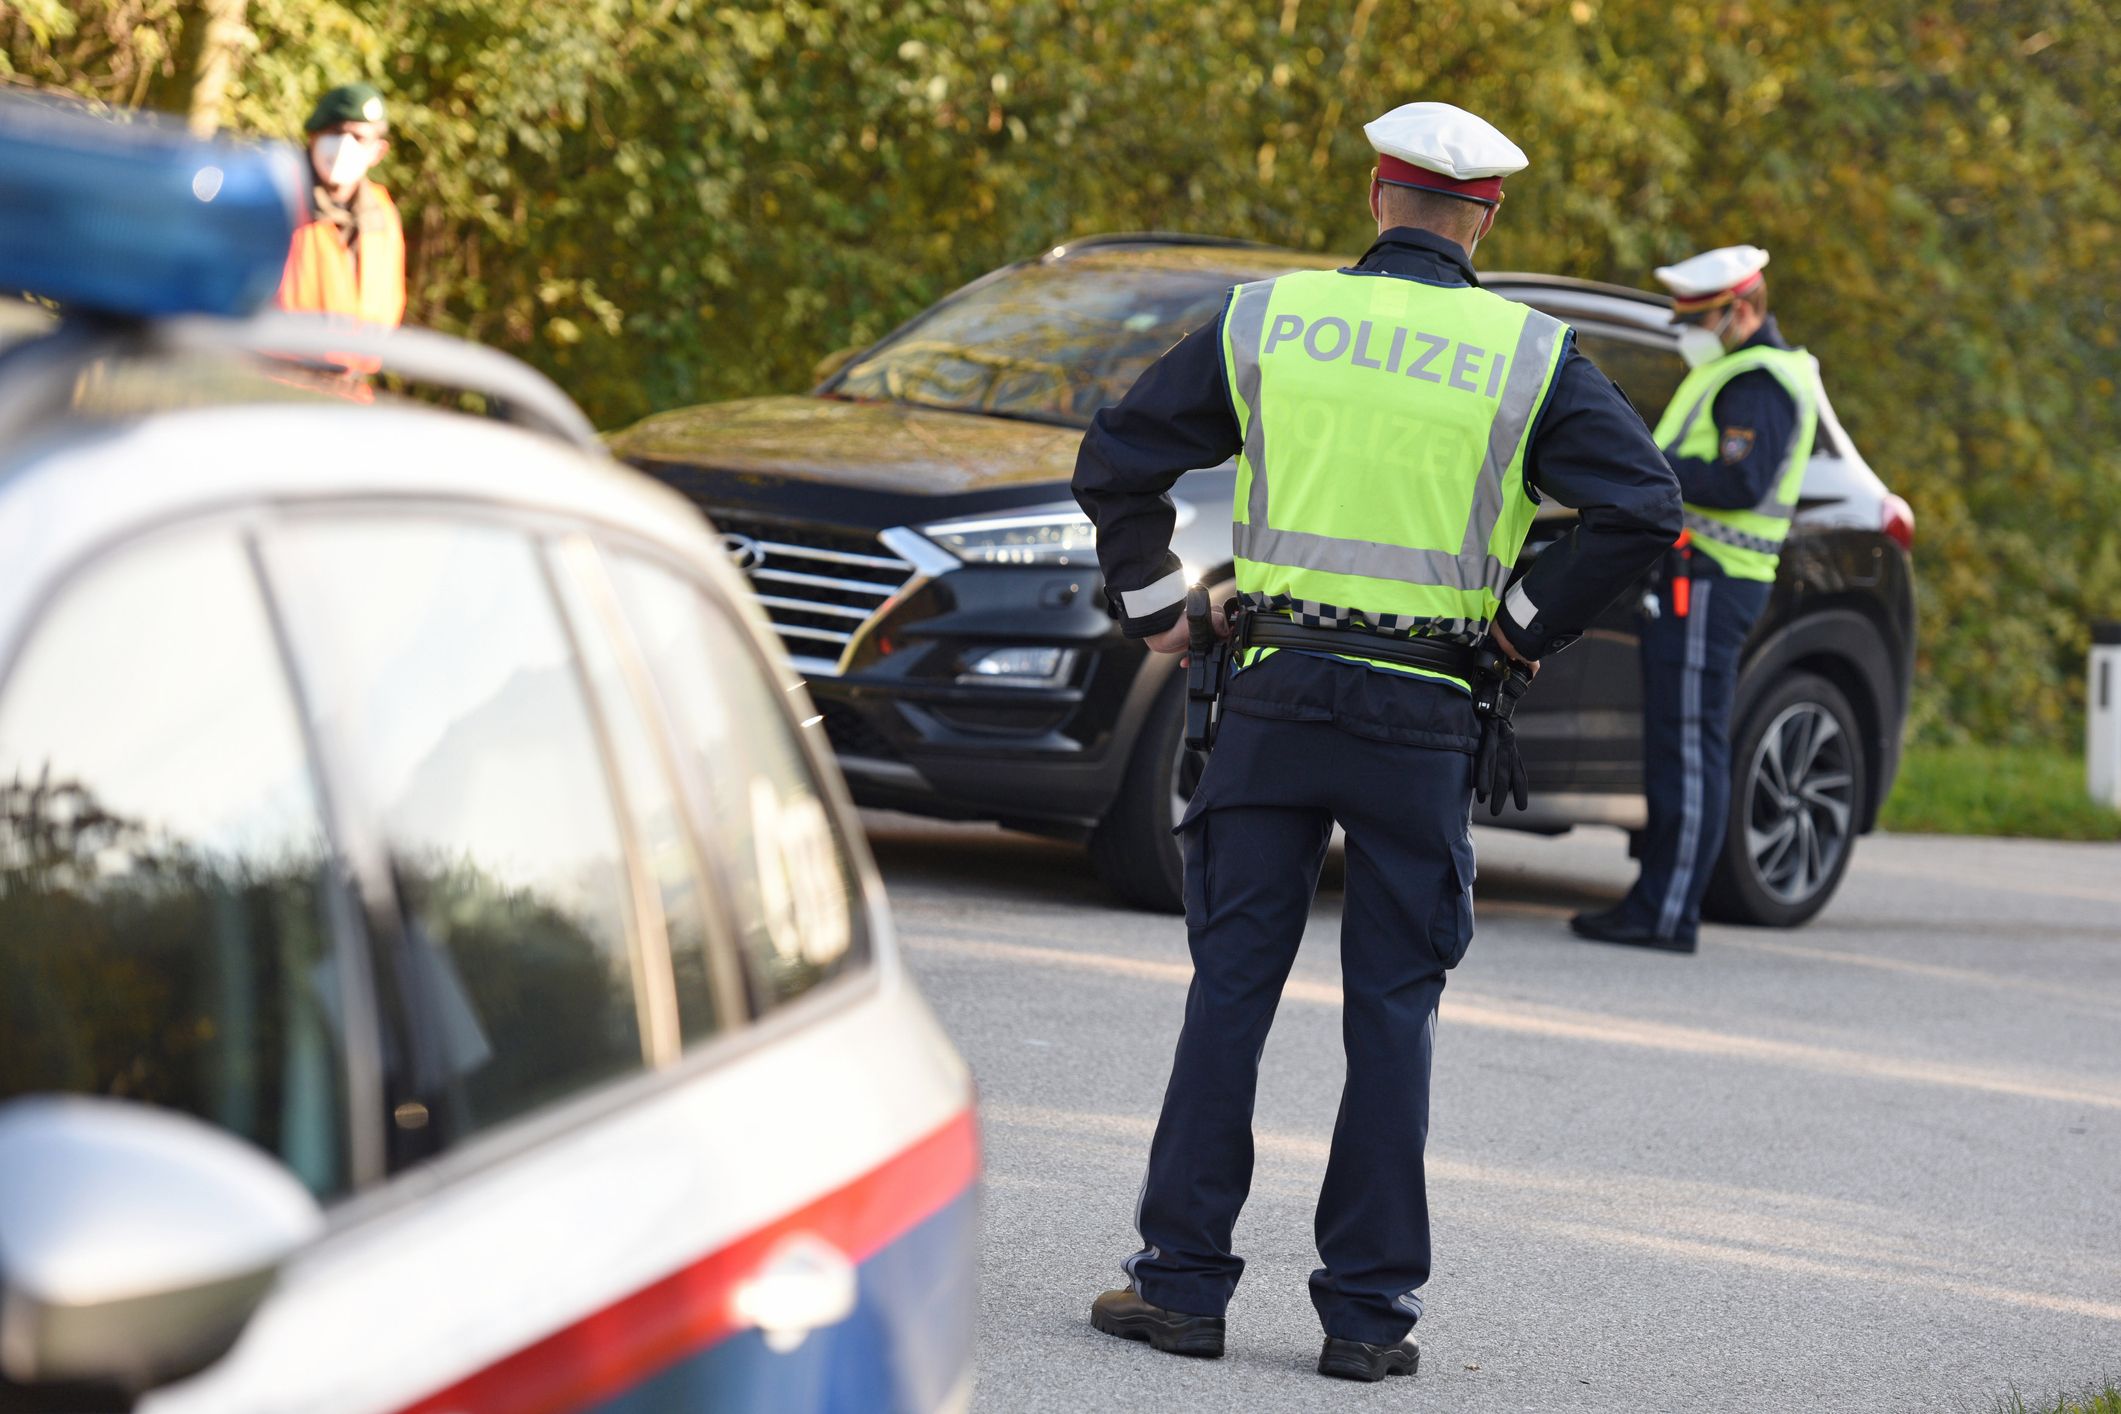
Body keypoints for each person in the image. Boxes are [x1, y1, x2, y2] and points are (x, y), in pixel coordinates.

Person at [1071, 101, 1680, 1382]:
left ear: (1374, 199)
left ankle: (1180, 1285)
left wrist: (1158, 611)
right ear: (1487, 216)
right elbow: (1642, 507)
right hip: (1423, 715)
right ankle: (1365, 1317)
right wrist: (1519, 627)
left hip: (1276, 691)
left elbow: (1118, 455)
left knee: (1231, 986)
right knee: (1392, 1009)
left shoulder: (1269, 318)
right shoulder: (1529, 354)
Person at [1569, 246, 1817, 953]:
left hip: (1712, 579)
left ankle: (1666, 911)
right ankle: (1656, 899)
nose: (1688, 331)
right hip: (1693, 578)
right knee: (1676, 744)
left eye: (1698, 318)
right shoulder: (1726, 372)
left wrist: (1649, 464)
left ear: (1741, 309)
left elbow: (1739, 482)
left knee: (1687, 748)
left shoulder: (1758, 380)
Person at [276, 81, 405, 328]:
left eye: (358, 137)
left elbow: (390, 298)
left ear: (378, 152)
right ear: (313, 137)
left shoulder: (383, 213)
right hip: (278, 364)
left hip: (357, 364)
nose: (344, 146)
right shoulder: (279, 201)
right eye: (334, 132)